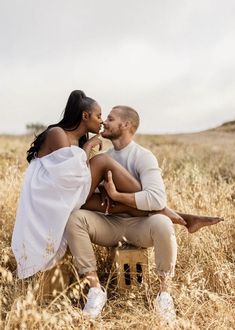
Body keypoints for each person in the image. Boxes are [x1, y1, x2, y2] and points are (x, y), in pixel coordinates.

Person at [65, 105, 223, 321]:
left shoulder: (143, 156)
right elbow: (88, 195)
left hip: (141, 226)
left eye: (110, 118)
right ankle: (95, 290)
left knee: (163, 223)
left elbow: (157, 199)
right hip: (110, 223)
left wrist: (118, 196)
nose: (104, 122)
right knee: (75, 219)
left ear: (126, 125)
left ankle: (164, 294)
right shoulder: (105, 157)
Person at [11, 91, 148, 285]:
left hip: (65, 195)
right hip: (49, 199)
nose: (101, 122)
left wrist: (102, 188)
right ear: (85, 116)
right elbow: (68, 176)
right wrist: (89, 146)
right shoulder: (58, 133)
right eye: (99, 116)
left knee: (115, 199)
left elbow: (78, 177)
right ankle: (148, 200)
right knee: (102, 161)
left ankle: (146, 206)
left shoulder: (79, 140)